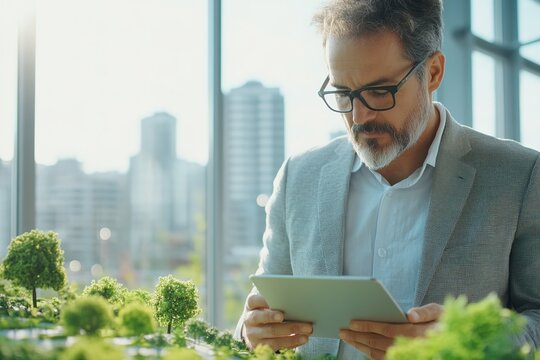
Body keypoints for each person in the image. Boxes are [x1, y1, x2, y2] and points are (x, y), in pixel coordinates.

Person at [235, 0, 540, 358]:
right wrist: (249, 332)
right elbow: (259, 310)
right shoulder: (298, 177)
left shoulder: (519, 176)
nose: (359, 116)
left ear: (433, 73)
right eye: (343, 93)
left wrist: (463, 335)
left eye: (380, 91)